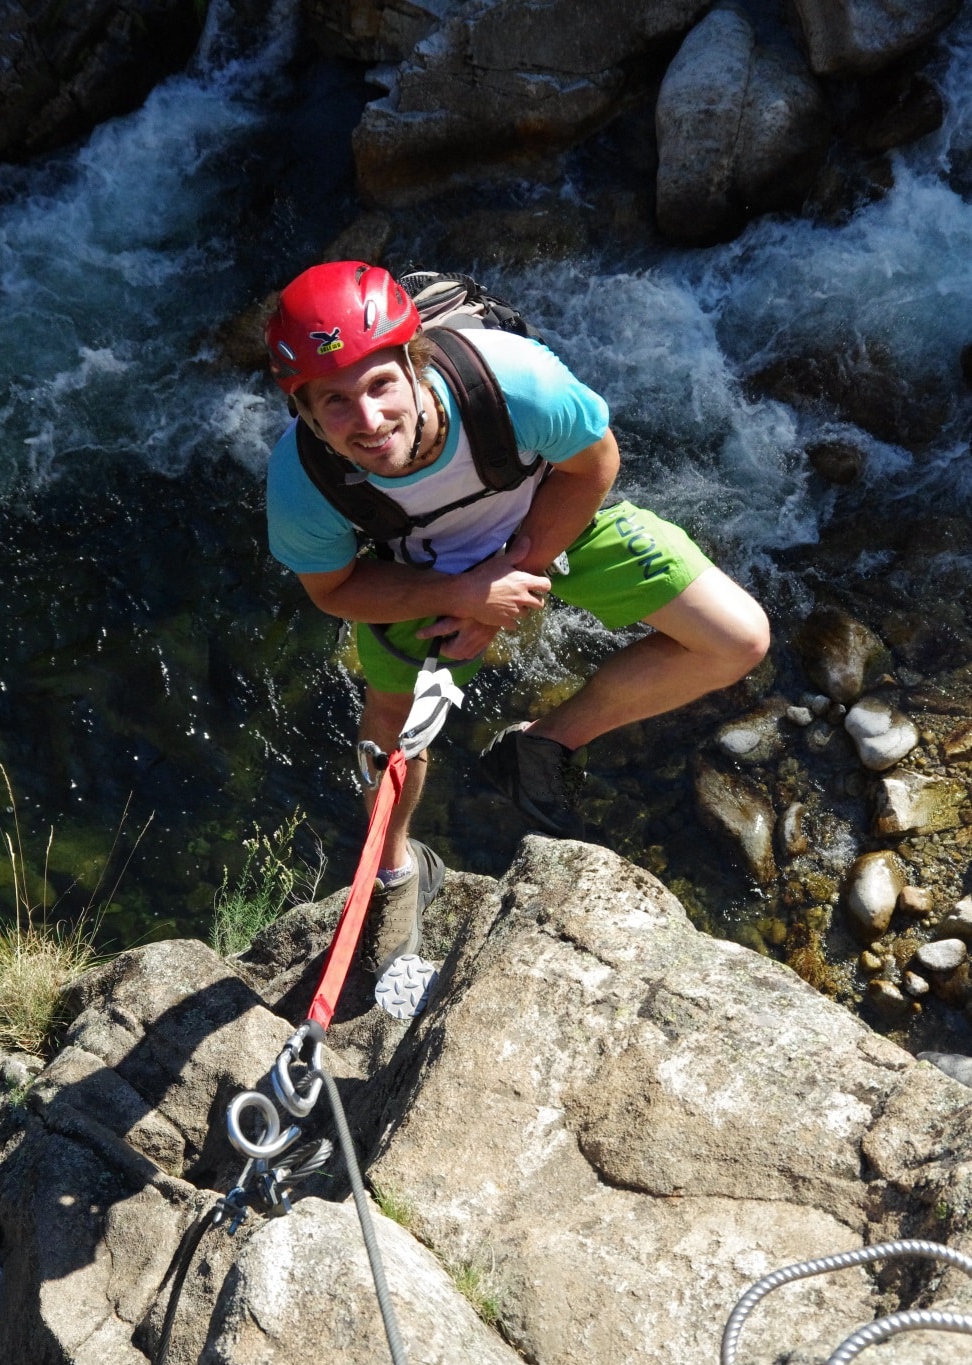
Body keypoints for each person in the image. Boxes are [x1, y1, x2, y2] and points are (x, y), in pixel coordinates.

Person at [264, 260, 770, 988]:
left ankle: (541, 747)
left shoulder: (512, 383)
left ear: (415, 365)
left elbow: (594, 468)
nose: (368, 422)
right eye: (336, 404)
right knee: (391, 719)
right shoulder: (303, 481)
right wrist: (465, 595)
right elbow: (337, 589)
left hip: (549, 523)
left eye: (380, 385)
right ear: (306, 415)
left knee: (736, 641)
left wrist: (511, 575)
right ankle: (395, 863)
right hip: (425, 571)